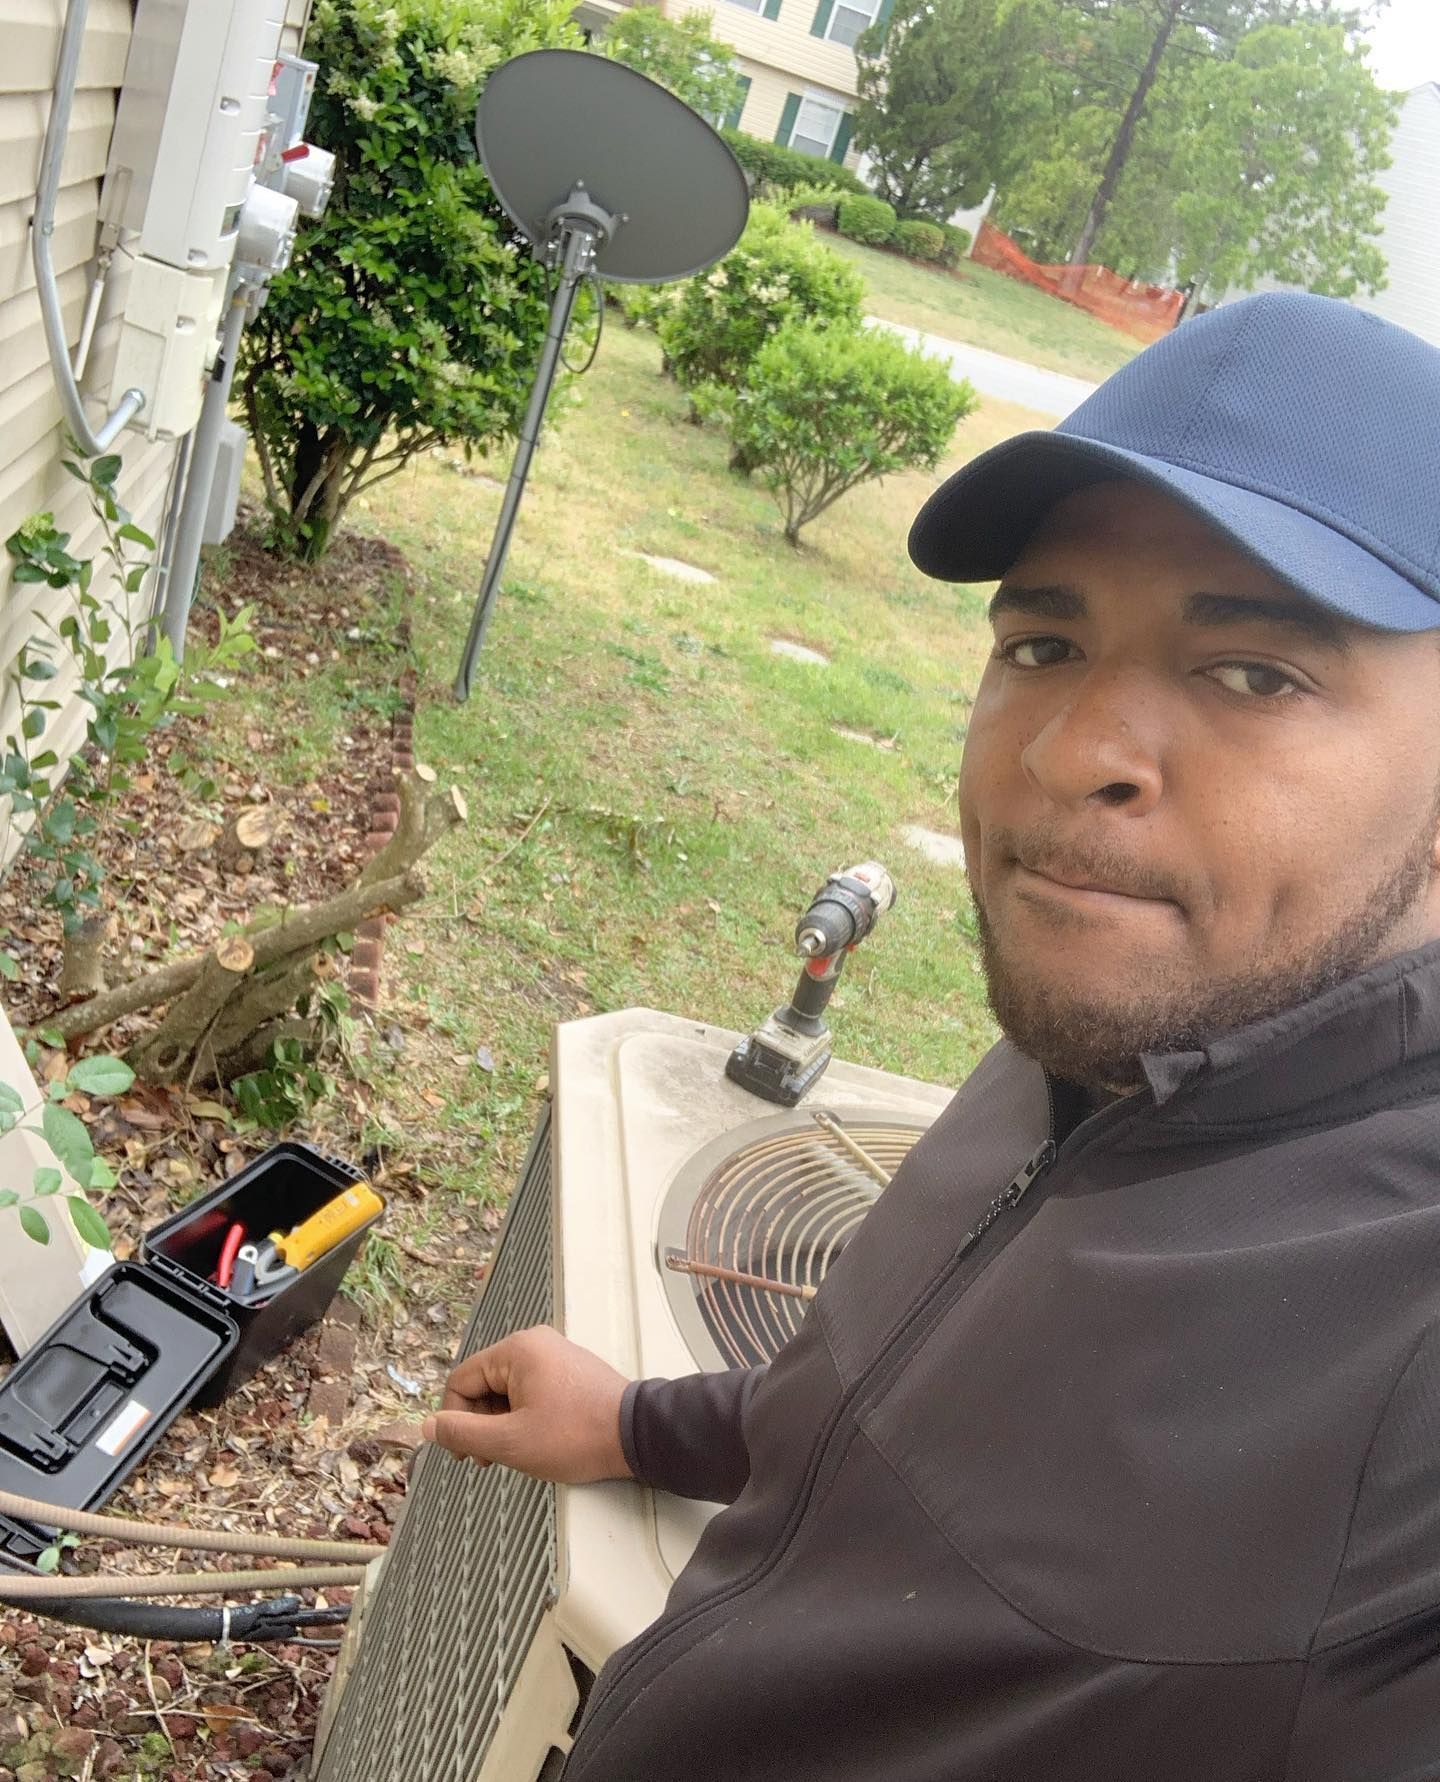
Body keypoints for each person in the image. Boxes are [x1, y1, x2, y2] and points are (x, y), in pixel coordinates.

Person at [423, 291, 1440, 1780]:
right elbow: (910, 1379)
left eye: (1254, 675)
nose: (1068, 750)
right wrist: (645, 1424)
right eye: (1042, 640)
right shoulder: (1106, 1030)